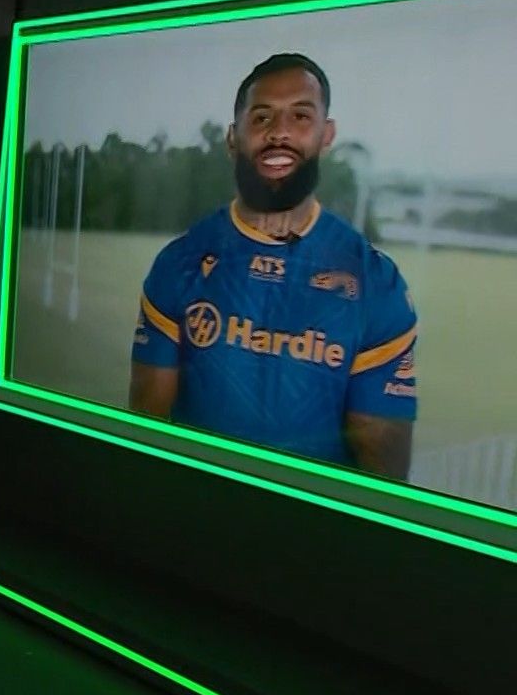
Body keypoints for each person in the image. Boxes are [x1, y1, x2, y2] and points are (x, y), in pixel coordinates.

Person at [129, 52, 417, 478]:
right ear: (233, 138)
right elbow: (144, 434)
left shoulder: (376, 283)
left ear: (325, 135)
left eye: (301, 116)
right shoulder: (179, 264)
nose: (279, 132)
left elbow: (382, 478)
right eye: (261, 117)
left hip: (308, 521)